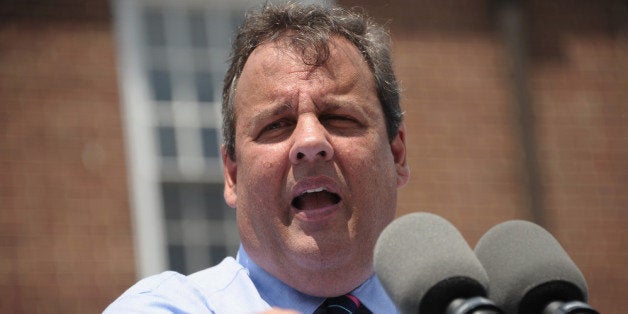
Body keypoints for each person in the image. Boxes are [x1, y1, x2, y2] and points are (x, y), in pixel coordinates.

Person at [105, 2, 409, 313]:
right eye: (276, 125)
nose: (310, 141)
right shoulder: (164, 306)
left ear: (396, 154)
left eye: (338, 117)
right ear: (233, 176)